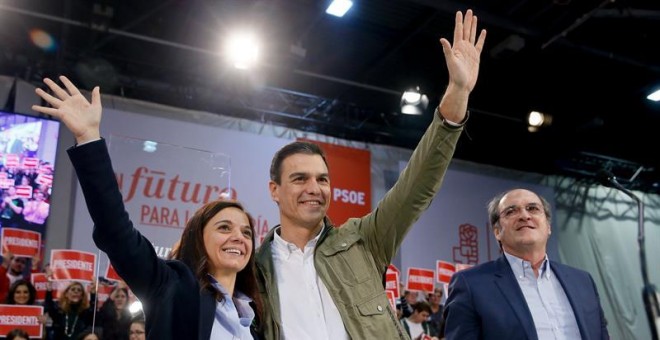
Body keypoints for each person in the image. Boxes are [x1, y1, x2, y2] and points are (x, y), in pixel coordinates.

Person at [254, 9, 486, 339]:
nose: (314, 188)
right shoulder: (254, 271)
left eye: (322, 179)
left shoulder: (363, 241)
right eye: (299, 178)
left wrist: (458, 94)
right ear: (274, 189)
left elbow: (415, 186)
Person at [32, 77, 263, 340]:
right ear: (198, 238)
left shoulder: (255, 315)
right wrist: (88, 138)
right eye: (224, 227)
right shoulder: (171, 285)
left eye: (246, 233)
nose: (239, 238)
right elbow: (115, 230)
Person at [442, 189, 610, 339]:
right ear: (497, 232)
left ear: (548, 227)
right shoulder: (471, 284)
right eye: (511, 211)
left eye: (533, 208)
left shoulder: (582, 281)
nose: (524, 215)